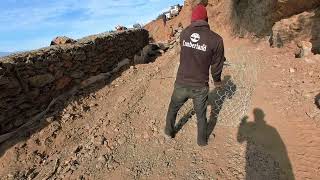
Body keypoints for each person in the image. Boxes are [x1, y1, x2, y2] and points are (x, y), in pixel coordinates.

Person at [165, 4, 225, 146]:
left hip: (181, 83)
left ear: (192, 19)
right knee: (201, 116)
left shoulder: (184, 33)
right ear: (206, 19)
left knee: (173, 109)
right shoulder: (216, 40)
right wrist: (217, 81)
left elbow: (186, 52)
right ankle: (202, 141)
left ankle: (168, 132)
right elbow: (217, 65)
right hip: (199, 87)